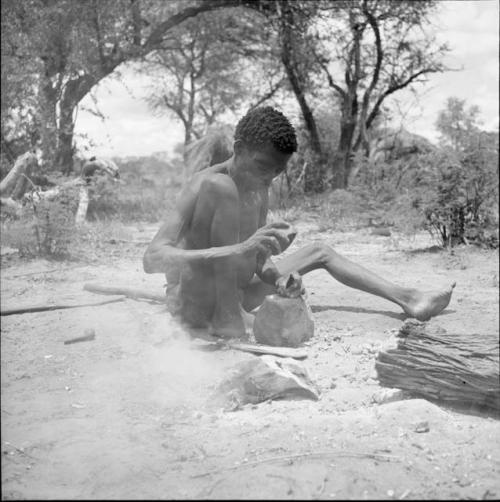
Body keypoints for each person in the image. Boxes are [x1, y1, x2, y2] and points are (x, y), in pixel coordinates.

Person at [143, 107, 455, 340]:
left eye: (276, 172)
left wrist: (279, 278)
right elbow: (152, 259)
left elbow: (257, 259)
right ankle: (229, 321)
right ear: (239, 149)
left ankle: (410, 300)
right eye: (263, 166)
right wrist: (238, 249)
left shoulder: (260, 185)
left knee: (319, 250)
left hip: (238, 292)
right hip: (196, 300)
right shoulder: (206, 184)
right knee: (223, 192)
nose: (268, 177)